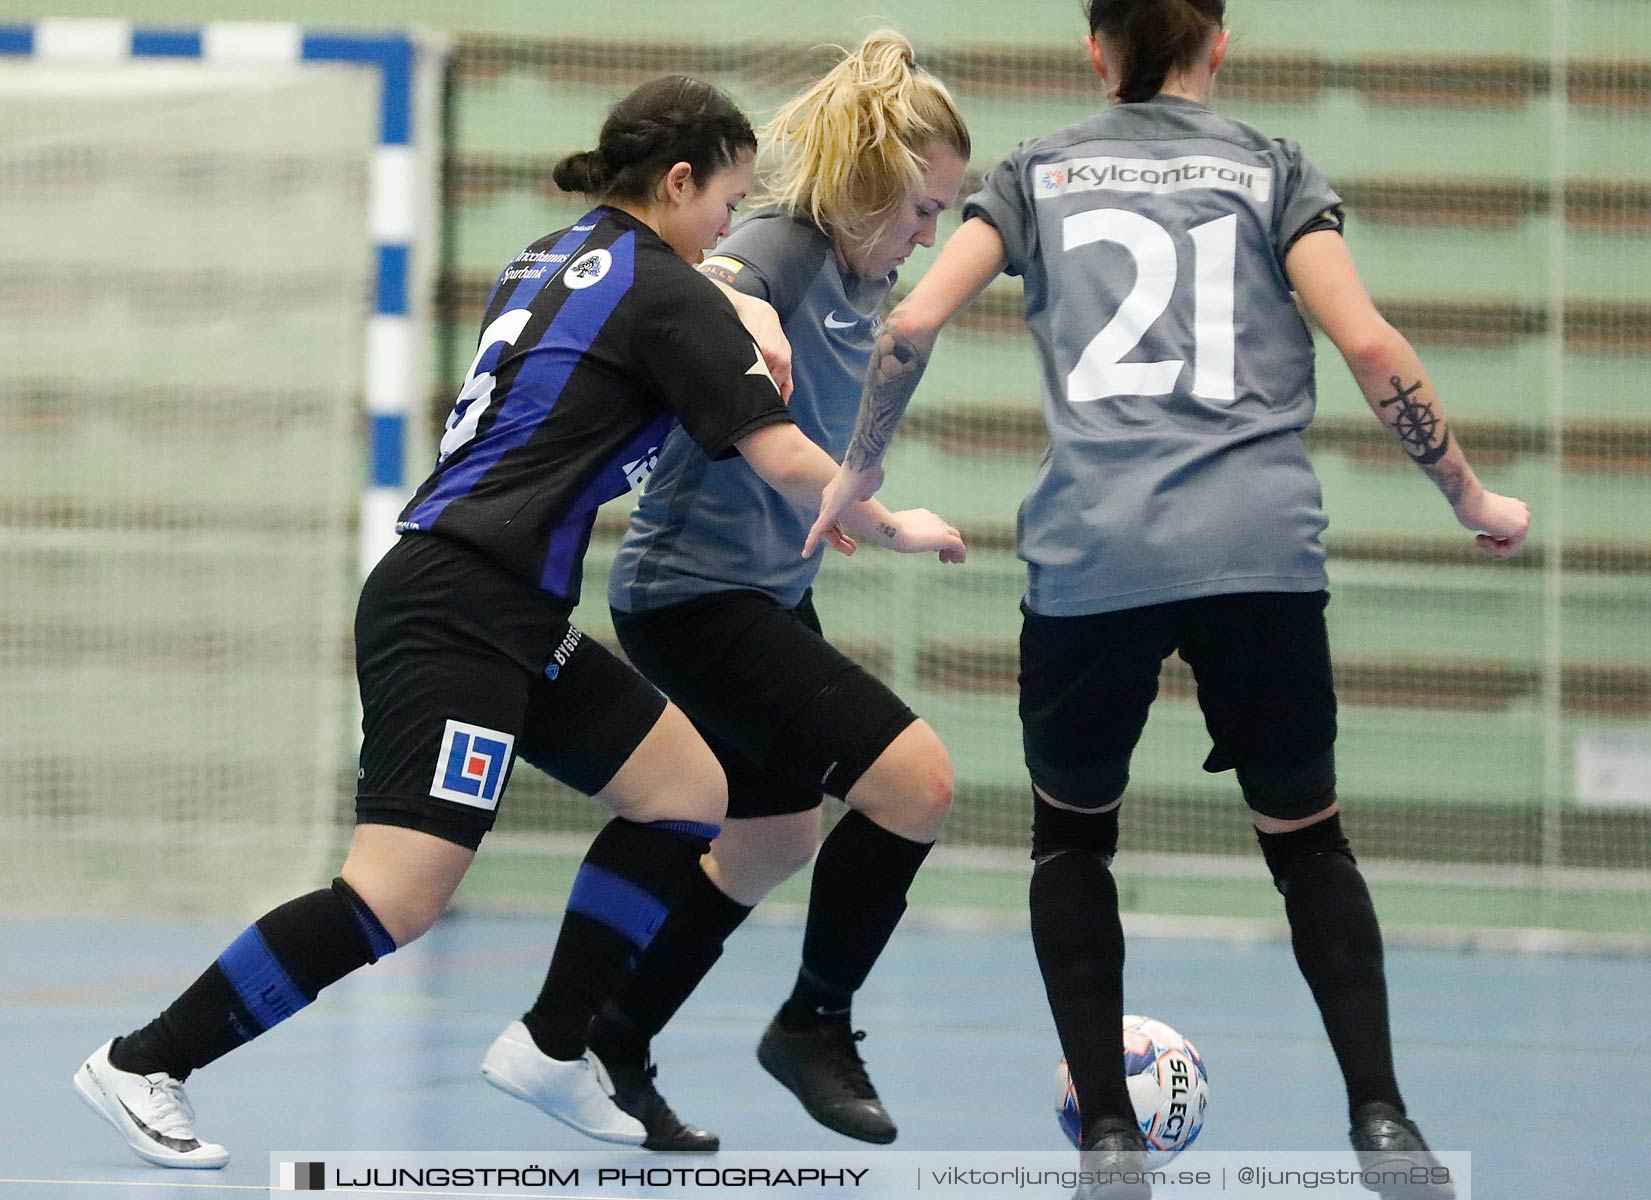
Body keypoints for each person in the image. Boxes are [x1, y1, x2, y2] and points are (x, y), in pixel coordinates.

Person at [71, 73, 927, 1170]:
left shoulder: (553, 254)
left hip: (508, 608)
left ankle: (553, 1044)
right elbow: (778, 453)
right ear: (677, 183)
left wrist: (743, 306)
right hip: (458, 611)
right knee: (396, 896)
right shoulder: (666, 292)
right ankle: (148, 1061)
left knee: (685, 793)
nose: (732, 224)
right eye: (727, 199)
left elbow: (695, 308)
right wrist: (889, 519)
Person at [805, 3, 1530, 1197]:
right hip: (1258, 549)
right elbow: (1366, 345)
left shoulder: (1034, 172)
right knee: (1306, 841)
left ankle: (1106, 1138)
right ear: (1218, 42)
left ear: (1095, 50)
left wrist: (860, 470)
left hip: (1095, 557)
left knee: (1072, 840)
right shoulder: (1270, 168)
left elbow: (911, 324)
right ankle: (1383, 1123)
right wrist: (1466, 495)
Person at [480, 31, 971, 1152]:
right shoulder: (783, 243)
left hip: (761, 586)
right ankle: (814, 1025)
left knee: (773, 834)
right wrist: (742, 308)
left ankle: (612, 1036)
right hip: (693, 597)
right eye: (922, 208)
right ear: (868, 193)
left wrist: (822, 511)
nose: (929, 232)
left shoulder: (869, 270)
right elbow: (706, 274)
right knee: (916, 786)